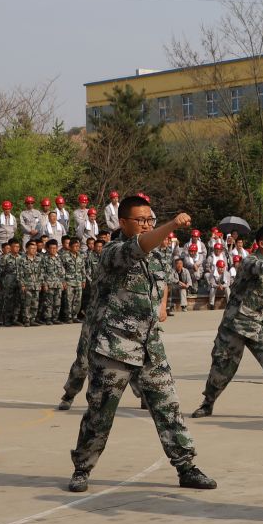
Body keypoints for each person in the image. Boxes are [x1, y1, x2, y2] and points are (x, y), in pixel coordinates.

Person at [66, 195, 215, 494]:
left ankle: (186, 466)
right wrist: (172, 224)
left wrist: (161, 305)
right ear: (123, 222)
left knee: (168, 407)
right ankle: (82, 468)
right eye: (141, 220)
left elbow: (161, 281)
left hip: (149, 345)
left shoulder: (159, 254)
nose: (148, 224)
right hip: (113, 346)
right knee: (100, 413)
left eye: (151, 219)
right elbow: (139, 247)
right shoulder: (112, 251)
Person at [192, 226, 263, 420]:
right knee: (223, 366)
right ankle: (208, 403)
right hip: (235, 325)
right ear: (261, 243)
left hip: (256, 325)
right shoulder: (250, 261)